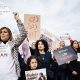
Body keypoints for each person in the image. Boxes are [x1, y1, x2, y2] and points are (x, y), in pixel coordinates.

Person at [0, 12, 27, 80]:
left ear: (9, 35)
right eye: (1, 32)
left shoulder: (13, 44)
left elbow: (23, 34)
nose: (2, 33)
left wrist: (18, 20)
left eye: (5, 32)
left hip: (12, 77)